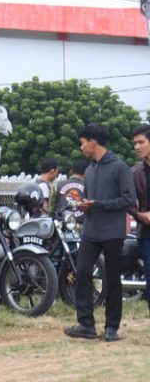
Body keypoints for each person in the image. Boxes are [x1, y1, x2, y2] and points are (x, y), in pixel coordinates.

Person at [64, 123, 135, 342]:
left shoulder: (120, 167)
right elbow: (91, 200)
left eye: (83, 143)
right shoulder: (89, 169)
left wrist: (98, 204)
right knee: (82, 273)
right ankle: (86, 324)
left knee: (112, 279)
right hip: (91, 231)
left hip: (112, 231)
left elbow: (128, 199)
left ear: (93, 142)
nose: (81, 147)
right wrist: (85, 205)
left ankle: (112, 327)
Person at [129, 124, 150, 314]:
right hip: (146, 234)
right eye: (135, 143)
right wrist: (139, 215)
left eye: (141, 142)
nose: (137, 147)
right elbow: (126, 201)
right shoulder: (134, 172)